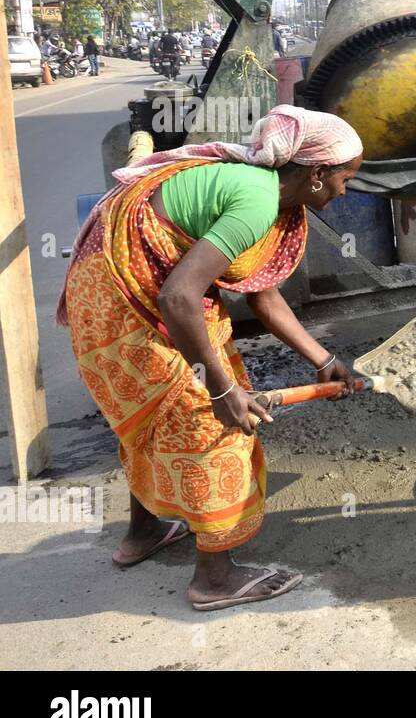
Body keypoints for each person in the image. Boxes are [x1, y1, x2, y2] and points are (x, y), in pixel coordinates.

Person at [58, 106, 364, 610]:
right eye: (345, 179)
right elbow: (179, 298)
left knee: (156, 418)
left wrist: (321, 357)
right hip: (131, 304)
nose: (345, 192)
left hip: (105, 295)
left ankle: (143, 533)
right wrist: (222, 391)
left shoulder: (263, 190)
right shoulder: (256, 201)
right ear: (316, 174)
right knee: (208, 424)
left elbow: (262, 295)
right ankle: (214, 578)